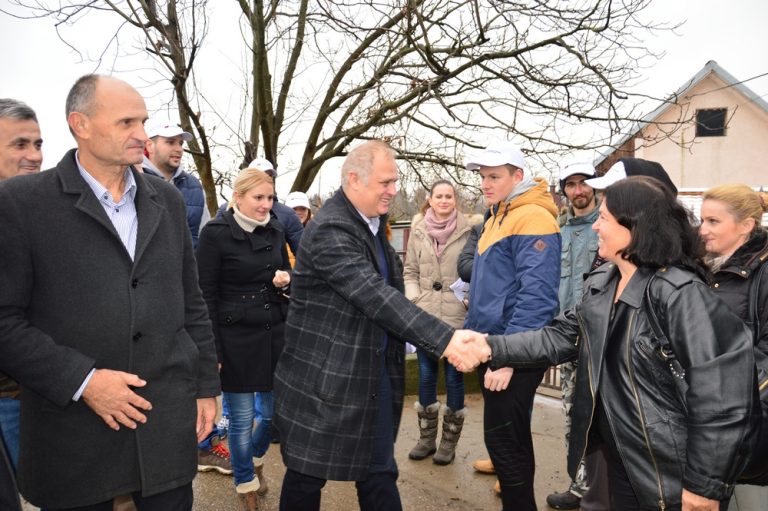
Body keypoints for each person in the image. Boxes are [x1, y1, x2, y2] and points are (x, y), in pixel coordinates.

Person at [0, 74, 221, 510]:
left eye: (143, 121)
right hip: (74, 429)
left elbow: (190, 301)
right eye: (126, 122)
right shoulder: (20, 203)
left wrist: (205, 385)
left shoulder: (167, 200)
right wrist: (83, 381)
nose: (141, 134)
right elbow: (4, 321)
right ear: (80, 124)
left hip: (164, 421)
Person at [483, 176, 759, 510]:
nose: (596, 226)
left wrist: (704, 486)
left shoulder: (679, 294)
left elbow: (721, 395)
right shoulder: (604, 281)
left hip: (669, 473)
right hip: (621, 457)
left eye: (604, 218)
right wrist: (491, 347)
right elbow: (559, 336)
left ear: (635, 227)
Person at [273, 140, 490, 511]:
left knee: (378, 473)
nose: (393, 190)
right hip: (326, 380)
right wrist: (446, 339)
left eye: (395, 182)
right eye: (385, 183)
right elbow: (375, 296)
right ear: (354, 180)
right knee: (307, 477)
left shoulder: (372, 224)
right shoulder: (330, 230)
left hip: (370, 376)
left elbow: (390, 293)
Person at [463, 140, 561, 509]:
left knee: (508, 445)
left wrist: (507, 358)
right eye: (482, 176)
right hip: (496, 345)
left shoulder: (532, 216)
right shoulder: (499, 213)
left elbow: (536, 298)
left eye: (495, 176)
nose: (486, 183)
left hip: (511, 351)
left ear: (517, 176)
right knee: (507, 443)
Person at [196, 167, 290, 510]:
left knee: (270, 415)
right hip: (233, 338)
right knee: (240, 417)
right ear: (238, 198)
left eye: (270, 198)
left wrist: (285, 280)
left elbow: (286, 271)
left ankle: (252, 459)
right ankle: (245, 484)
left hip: (273, 334)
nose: (266, 205)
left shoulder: (276, 229)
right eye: (258, 198)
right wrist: (212, 349)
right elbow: (203, 295)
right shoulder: (215, 234)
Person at [699, 184, 768, 511]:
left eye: (713, 221)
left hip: (746, 427)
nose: (703, 230)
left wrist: (734, 410)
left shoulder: (764, 274)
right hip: (705, 422)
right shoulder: (703, 269)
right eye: (702, 220)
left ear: (746, 226)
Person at [546, 161, 610, 511]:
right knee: (572, 417)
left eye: (584, 183)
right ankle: (579, 485)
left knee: (599, 419)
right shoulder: (560, 229)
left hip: (597, 342)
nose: (578, 190)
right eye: (571, 184)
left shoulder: (607, 227)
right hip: (567, 339)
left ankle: (602, 491)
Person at [404, 180, 472, 465]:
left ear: (454, 200)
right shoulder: (418, 231)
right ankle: (426, 439)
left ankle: (448, 443)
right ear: (429, 200)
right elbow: (409, 271)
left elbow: (473, 269)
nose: (443, 200)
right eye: (438, 196)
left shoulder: (470, 231)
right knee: (427, 375)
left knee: (455, 378)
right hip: (426, 316)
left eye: (449, 196)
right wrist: (416, 300)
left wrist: (469, 300)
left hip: (457, 315)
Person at [0, 98, 43, 476]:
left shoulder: (42, 212)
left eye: (38, 144)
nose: (33, 156)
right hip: (8, 396)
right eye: (19, 145)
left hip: (44, 390)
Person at [142, 121, 209, 248]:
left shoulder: (194, 185)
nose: (178, 149)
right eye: (170, 142)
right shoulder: (134, 181)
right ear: (150, 146)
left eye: (180, 143)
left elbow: (205, 237)